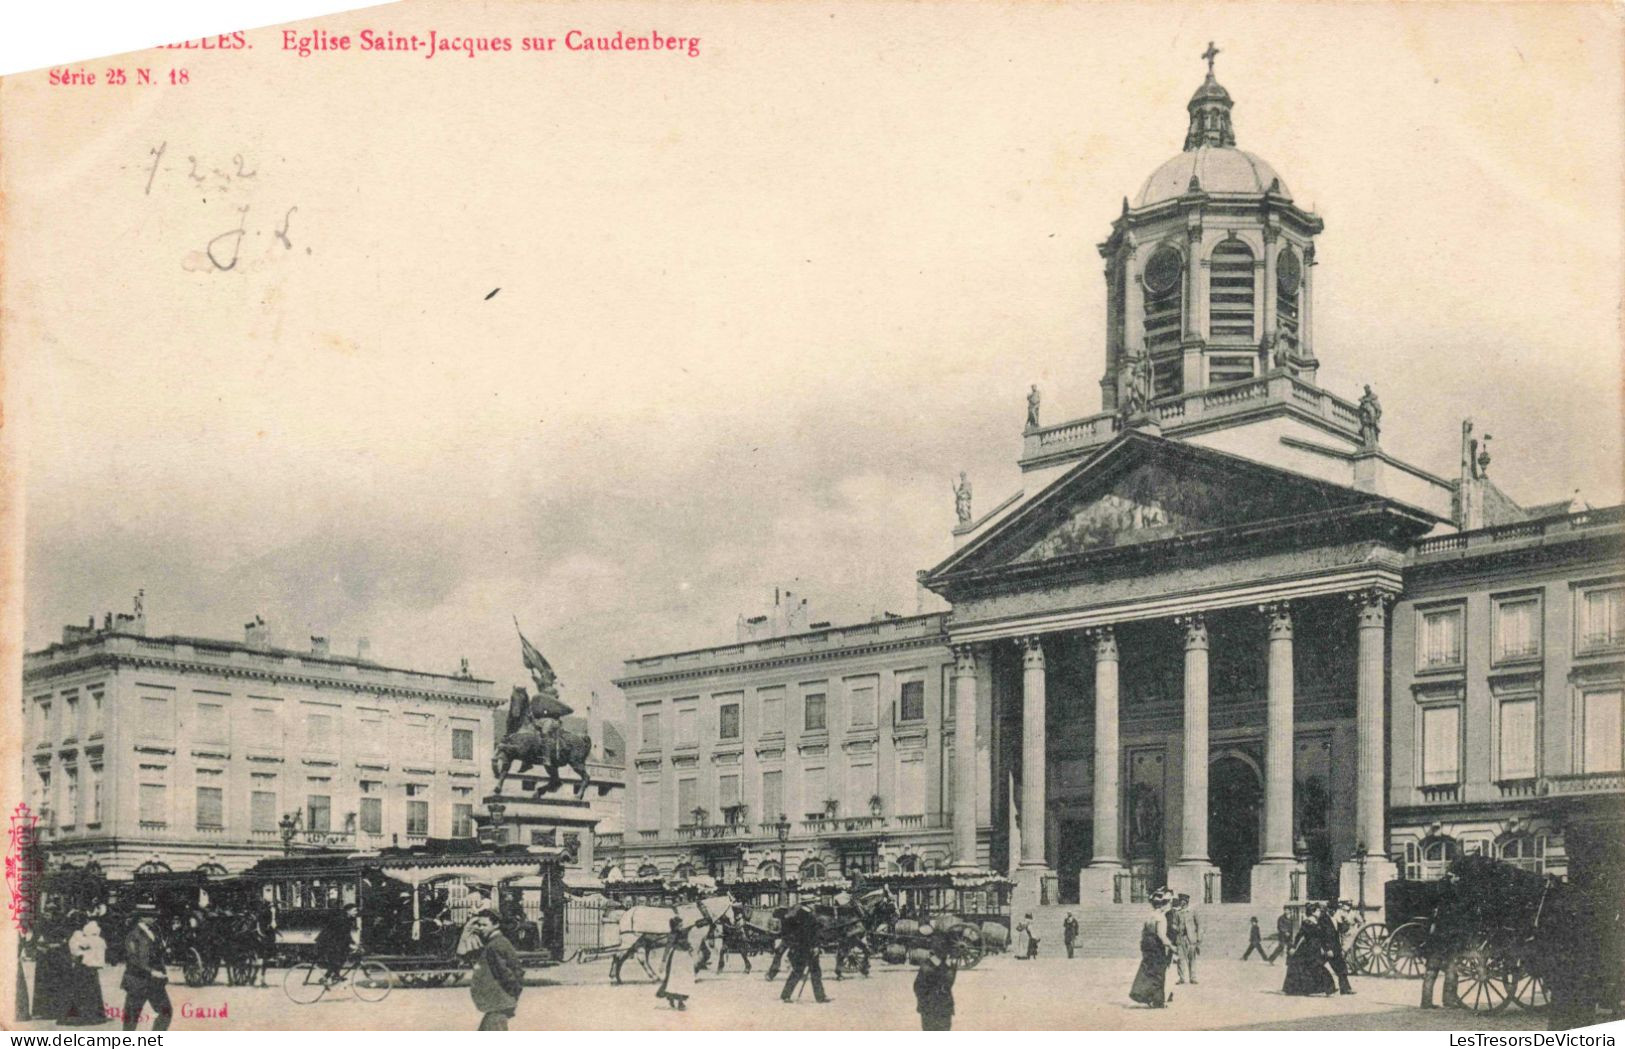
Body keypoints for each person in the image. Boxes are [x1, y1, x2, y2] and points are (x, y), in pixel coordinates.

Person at [461, 907, 524, 1030]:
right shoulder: (493, 943)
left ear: (496, 925)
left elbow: (508, 975)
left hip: (498, 1005)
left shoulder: (495, 945)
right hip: (497, 1005)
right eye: (479, 924)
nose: (480, 928)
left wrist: (511, 996)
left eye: (484, 925)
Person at [120, 910, 172, 1032]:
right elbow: (133, 959)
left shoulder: (154, 932)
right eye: (151, 916)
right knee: (131, 1019)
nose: (154, 918)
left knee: (166, 1012)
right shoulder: (133, 934)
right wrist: (151, 971)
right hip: (137, 981)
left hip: (155, 981)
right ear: (142, 918)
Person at [1129, 891, 1176, 1008]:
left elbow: (1144, 932)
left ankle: (1144, 995)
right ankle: (1158, 1001)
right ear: (1161, 905)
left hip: (1147, 946)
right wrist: (1172, 946)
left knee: (1147, 971)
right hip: (1156, 947)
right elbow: (1162, 936)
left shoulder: (1149, 916)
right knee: (1158, 973)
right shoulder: (1161, 917)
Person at [61, 913, 109, 1026]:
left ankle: (83, 1013)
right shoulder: (81, 934)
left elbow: (75, 950)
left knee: (82, 989)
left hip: (83, 964)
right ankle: (92, 1014)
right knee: (90, 989)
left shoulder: (80, 935)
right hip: (87, 965)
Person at [779, 901, 831, 1004]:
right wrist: (815, 946)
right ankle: (819, 997)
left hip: (800, 948)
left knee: (799, 972)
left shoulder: (799, 913)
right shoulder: (808, 915)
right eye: (814, 902)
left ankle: (786, 995)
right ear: (809, 903)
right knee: (810, 972)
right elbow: (809, 933)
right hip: (807, 949)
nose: (815, 904)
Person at [1282, 904, 1336, 996]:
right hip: (1307, 948)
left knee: (1316, 967)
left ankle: (1327, 989)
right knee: (1313, 967)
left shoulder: (1318, 922)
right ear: (1313, 912)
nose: (1320, 912)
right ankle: (1326, 989)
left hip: (1316, 948)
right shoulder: (1306, 922)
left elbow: (1323, 938)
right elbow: (1299, 935)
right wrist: (1294, 947)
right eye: (1318, 911)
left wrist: (1328, 949)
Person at [912, 932, 956, 1031]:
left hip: (936, 1009)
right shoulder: (942, 967)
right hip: (936, 1009)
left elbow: (917, 987)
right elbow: (918, 988)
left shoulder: (945, 966)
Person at [656, 916, 696, 1011]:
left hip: (685, 957)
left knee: (685, 978)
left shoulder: (684, 932)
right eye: (680, 925)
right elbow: (667, 948)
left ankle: (672, 997)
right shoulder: (672, 935)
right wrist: (663, 962)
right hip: (677, 959)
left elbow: (693, 926)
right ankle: (680, 1003)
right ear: (675, 927)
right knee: (677, 980)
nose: (682, 927)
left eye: (682, 925)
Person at [314, 903, 358, 984]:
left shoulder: (347, 919)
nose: (356, 912)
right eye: (354, 910)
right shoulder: (341, 919)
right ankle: (329, 977)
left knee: (343, 956)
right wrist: (352, 944)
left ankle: (332, 976)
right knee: (336, 960)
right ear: (348, 911)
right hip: (327, 942)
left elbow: (346, 934)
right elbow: (342, 934)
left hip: (334, 941)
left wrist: (353, 943)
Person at [1325, 901, 1355, 995]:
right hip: (1328, 948)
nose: (1333, 911)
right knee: (1320, 968)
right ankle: (1329, 988)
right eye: (1331, 909)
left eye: (1335, 910)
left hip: (1336, 947)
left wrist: (1346, 922)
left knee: (1342, 967)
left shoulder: (1335, 919)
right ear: (1328, 909)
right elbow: (1322, 936)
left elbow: (1342, 930)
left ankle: (1345, 989)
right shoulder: (1324, 919)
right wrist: (1328, 949)